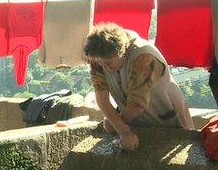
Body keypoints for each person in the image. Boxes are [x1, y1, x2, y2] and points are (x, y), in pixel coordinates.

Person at [83, 23, 194, 151]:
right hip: (137, 124)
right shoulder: (97, 59)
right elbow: (102, 100)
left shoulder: (144, 56)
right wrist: (120, 127)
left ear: (122, 53)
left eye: (108, 63)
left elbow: (137, 104)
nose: (105, 67)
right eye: (100, 62)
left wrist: (120, 127)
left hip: (169, 120)